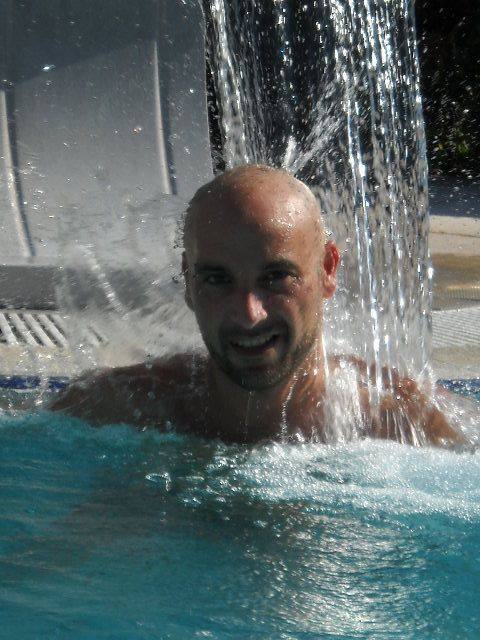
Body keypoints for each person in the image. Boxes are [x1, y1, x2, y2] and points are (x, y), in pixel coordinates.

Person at [51, 165, 465, 446]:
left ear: (327, 270)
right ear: (189, 282)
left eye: (276, 277)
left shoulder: (407, 424)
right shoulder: (122, 407)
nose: (250, 314)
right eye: (218, 279)